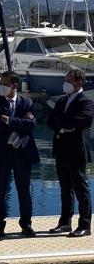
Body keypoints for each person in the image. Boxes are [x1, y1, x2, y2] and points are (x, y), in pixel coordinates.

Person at [0, 70, 39, 238]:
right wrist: (20, 124)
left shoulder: (27, 102)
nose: (1, 86)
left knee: (24, 190)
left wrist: (9, 120)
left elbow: (31, 124)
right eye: (0, 83)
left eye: (4, 83)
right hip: (1, 153)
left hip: (22, 153)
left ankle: (26, 224)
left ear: (14, 85)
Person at [48, 69, 94, 237]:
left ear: (79, 82)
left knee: (81, 188)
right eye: (65, 79)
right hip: (60, 149)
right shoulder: (62, 100)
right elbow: (51, 120)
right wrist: (64, 127)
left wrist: (65, 124)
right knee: (65, 188)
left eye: (69, 80)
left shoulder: (86, 102)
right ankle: (65, 222)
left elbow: (81, 120)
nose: (65, 83)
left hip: (76, 151)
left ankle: (85, 225)